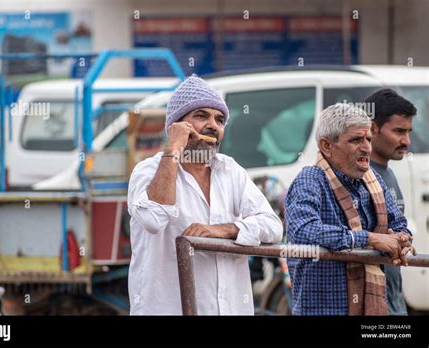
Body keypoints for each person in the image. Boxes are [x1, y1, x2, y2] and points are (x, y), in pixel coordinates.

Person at [127, 75, 283, 315]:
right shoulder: (148, 171)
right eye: (201, 116)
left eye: (219, 119)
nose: (213, 125)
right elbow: (153, 219)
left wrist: (225, 230)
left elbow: (273, 227)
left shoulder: (231, 170)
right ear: (176, 127)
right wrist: (173, 151)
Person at [285, 103, 416, 315]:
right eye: (356, 140)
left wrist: (402, 238)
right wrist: (371, 239)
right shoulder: (310, 180)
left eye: (368, 140)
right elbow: (303, 230)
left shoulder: (373, 181)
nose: (366, 148)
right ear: (327, 146)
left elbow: (399, 223)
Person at [365, 88, 417, 315]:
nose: (406, 141)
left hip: (394, 300)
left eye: (409, 132)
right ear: (372, 128)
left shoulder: (388, 173)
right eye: (398, 131)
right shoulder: (359, 177)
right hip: (372, 301)